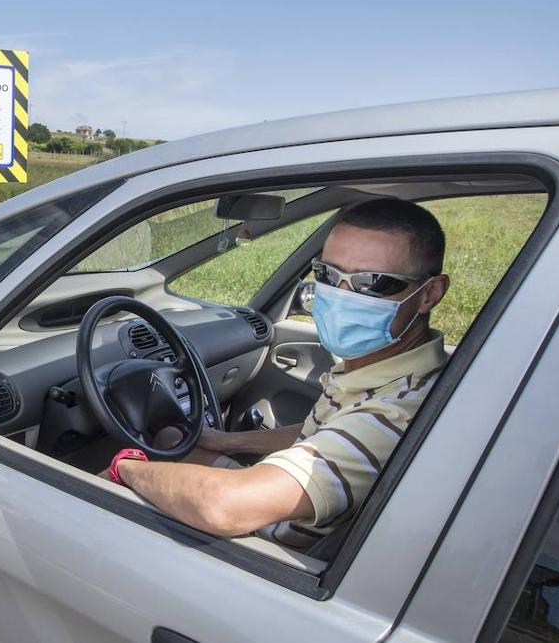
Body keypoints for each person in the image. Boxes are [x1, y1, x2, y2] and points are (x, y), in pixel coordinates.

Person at [108, 198, 451, 550]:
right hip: (275, 511)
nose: (341, 295)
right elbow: (319, 435)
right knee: (169, 439)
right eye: (328, 275)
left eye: (374, 282)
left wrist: (125, 469)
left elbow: (223, 507)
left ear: (430, 294)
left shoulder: (393, 415)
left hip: (267, 547)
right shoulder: (380, 368)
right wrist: (225, 441)